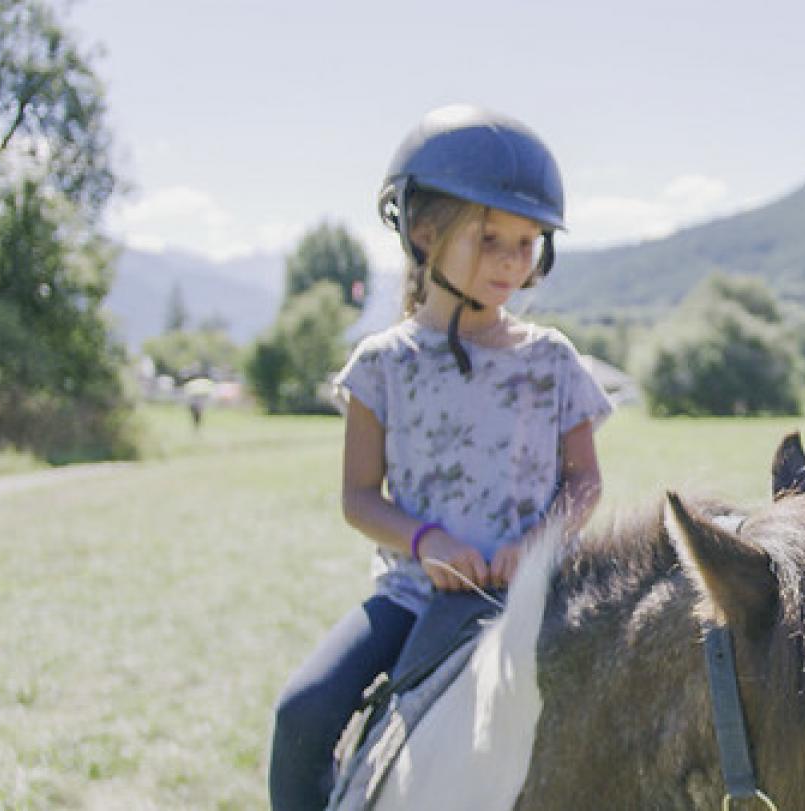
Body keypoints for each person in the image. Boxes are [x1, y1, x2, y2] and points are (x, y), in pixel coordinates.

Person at [268, 105, 613, 811]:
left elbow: (585, 480)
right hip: (412, 595)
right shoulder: (380, 366)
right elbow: (359, 496)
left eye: (528, 241)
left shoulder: (553, 361)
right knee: (301, 711)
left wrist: (533, 546)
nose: (514, 261)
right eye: (491, 239)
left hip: (535, 596)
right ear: (423, 234)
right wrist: (430, 543)